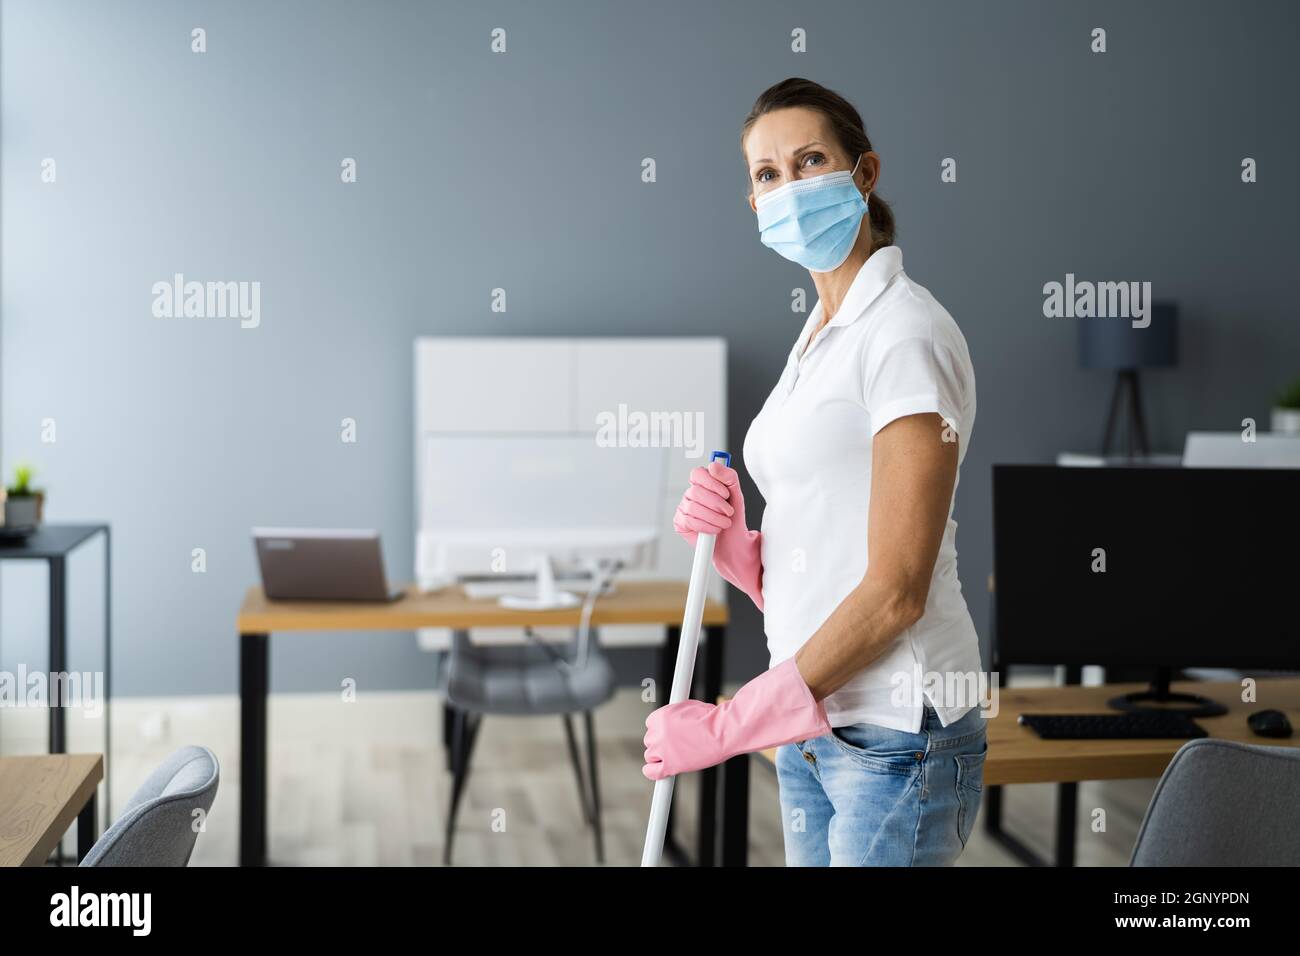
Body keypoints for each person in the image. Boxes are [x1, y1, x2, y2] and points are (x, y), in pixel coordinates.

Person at [643, 77, 987, 866]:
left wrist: (732, 724)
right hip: (814, 720)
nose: (788, 187)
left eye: (808, 161)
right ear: (753, 202)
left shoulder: (904, 335)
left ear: (863, 173)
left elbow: (896, 590)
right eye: (767, 175)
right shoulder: (818, 338)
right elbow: (826, 557)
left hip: (897, 731)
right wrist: (740, 549)